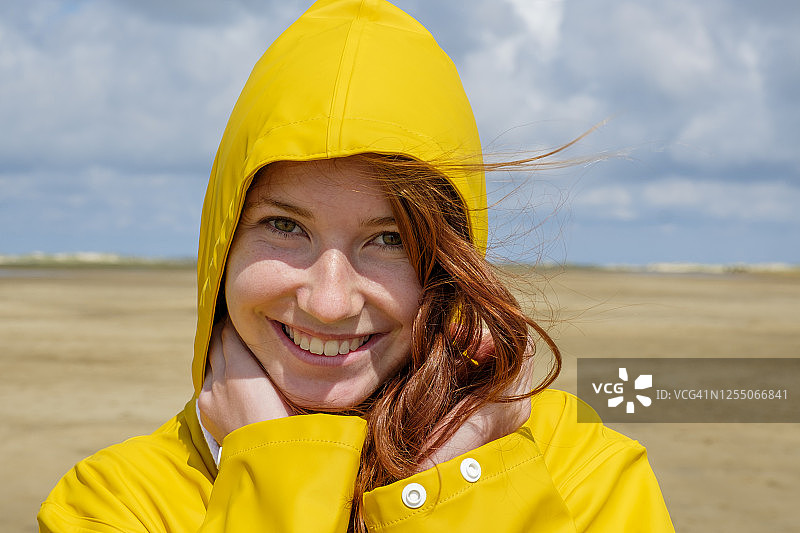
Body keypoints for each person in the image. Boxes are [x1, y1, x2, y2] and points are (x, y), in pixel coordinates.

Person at [39, 0, 674, 531]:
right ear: (223, 243)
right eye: (284, 226)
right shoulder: (112, 505)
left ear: (451, 263)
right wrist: (276, 473)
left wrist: (462, 486)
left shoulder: (583, 475)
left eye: (389, 239)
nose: (329, 302)